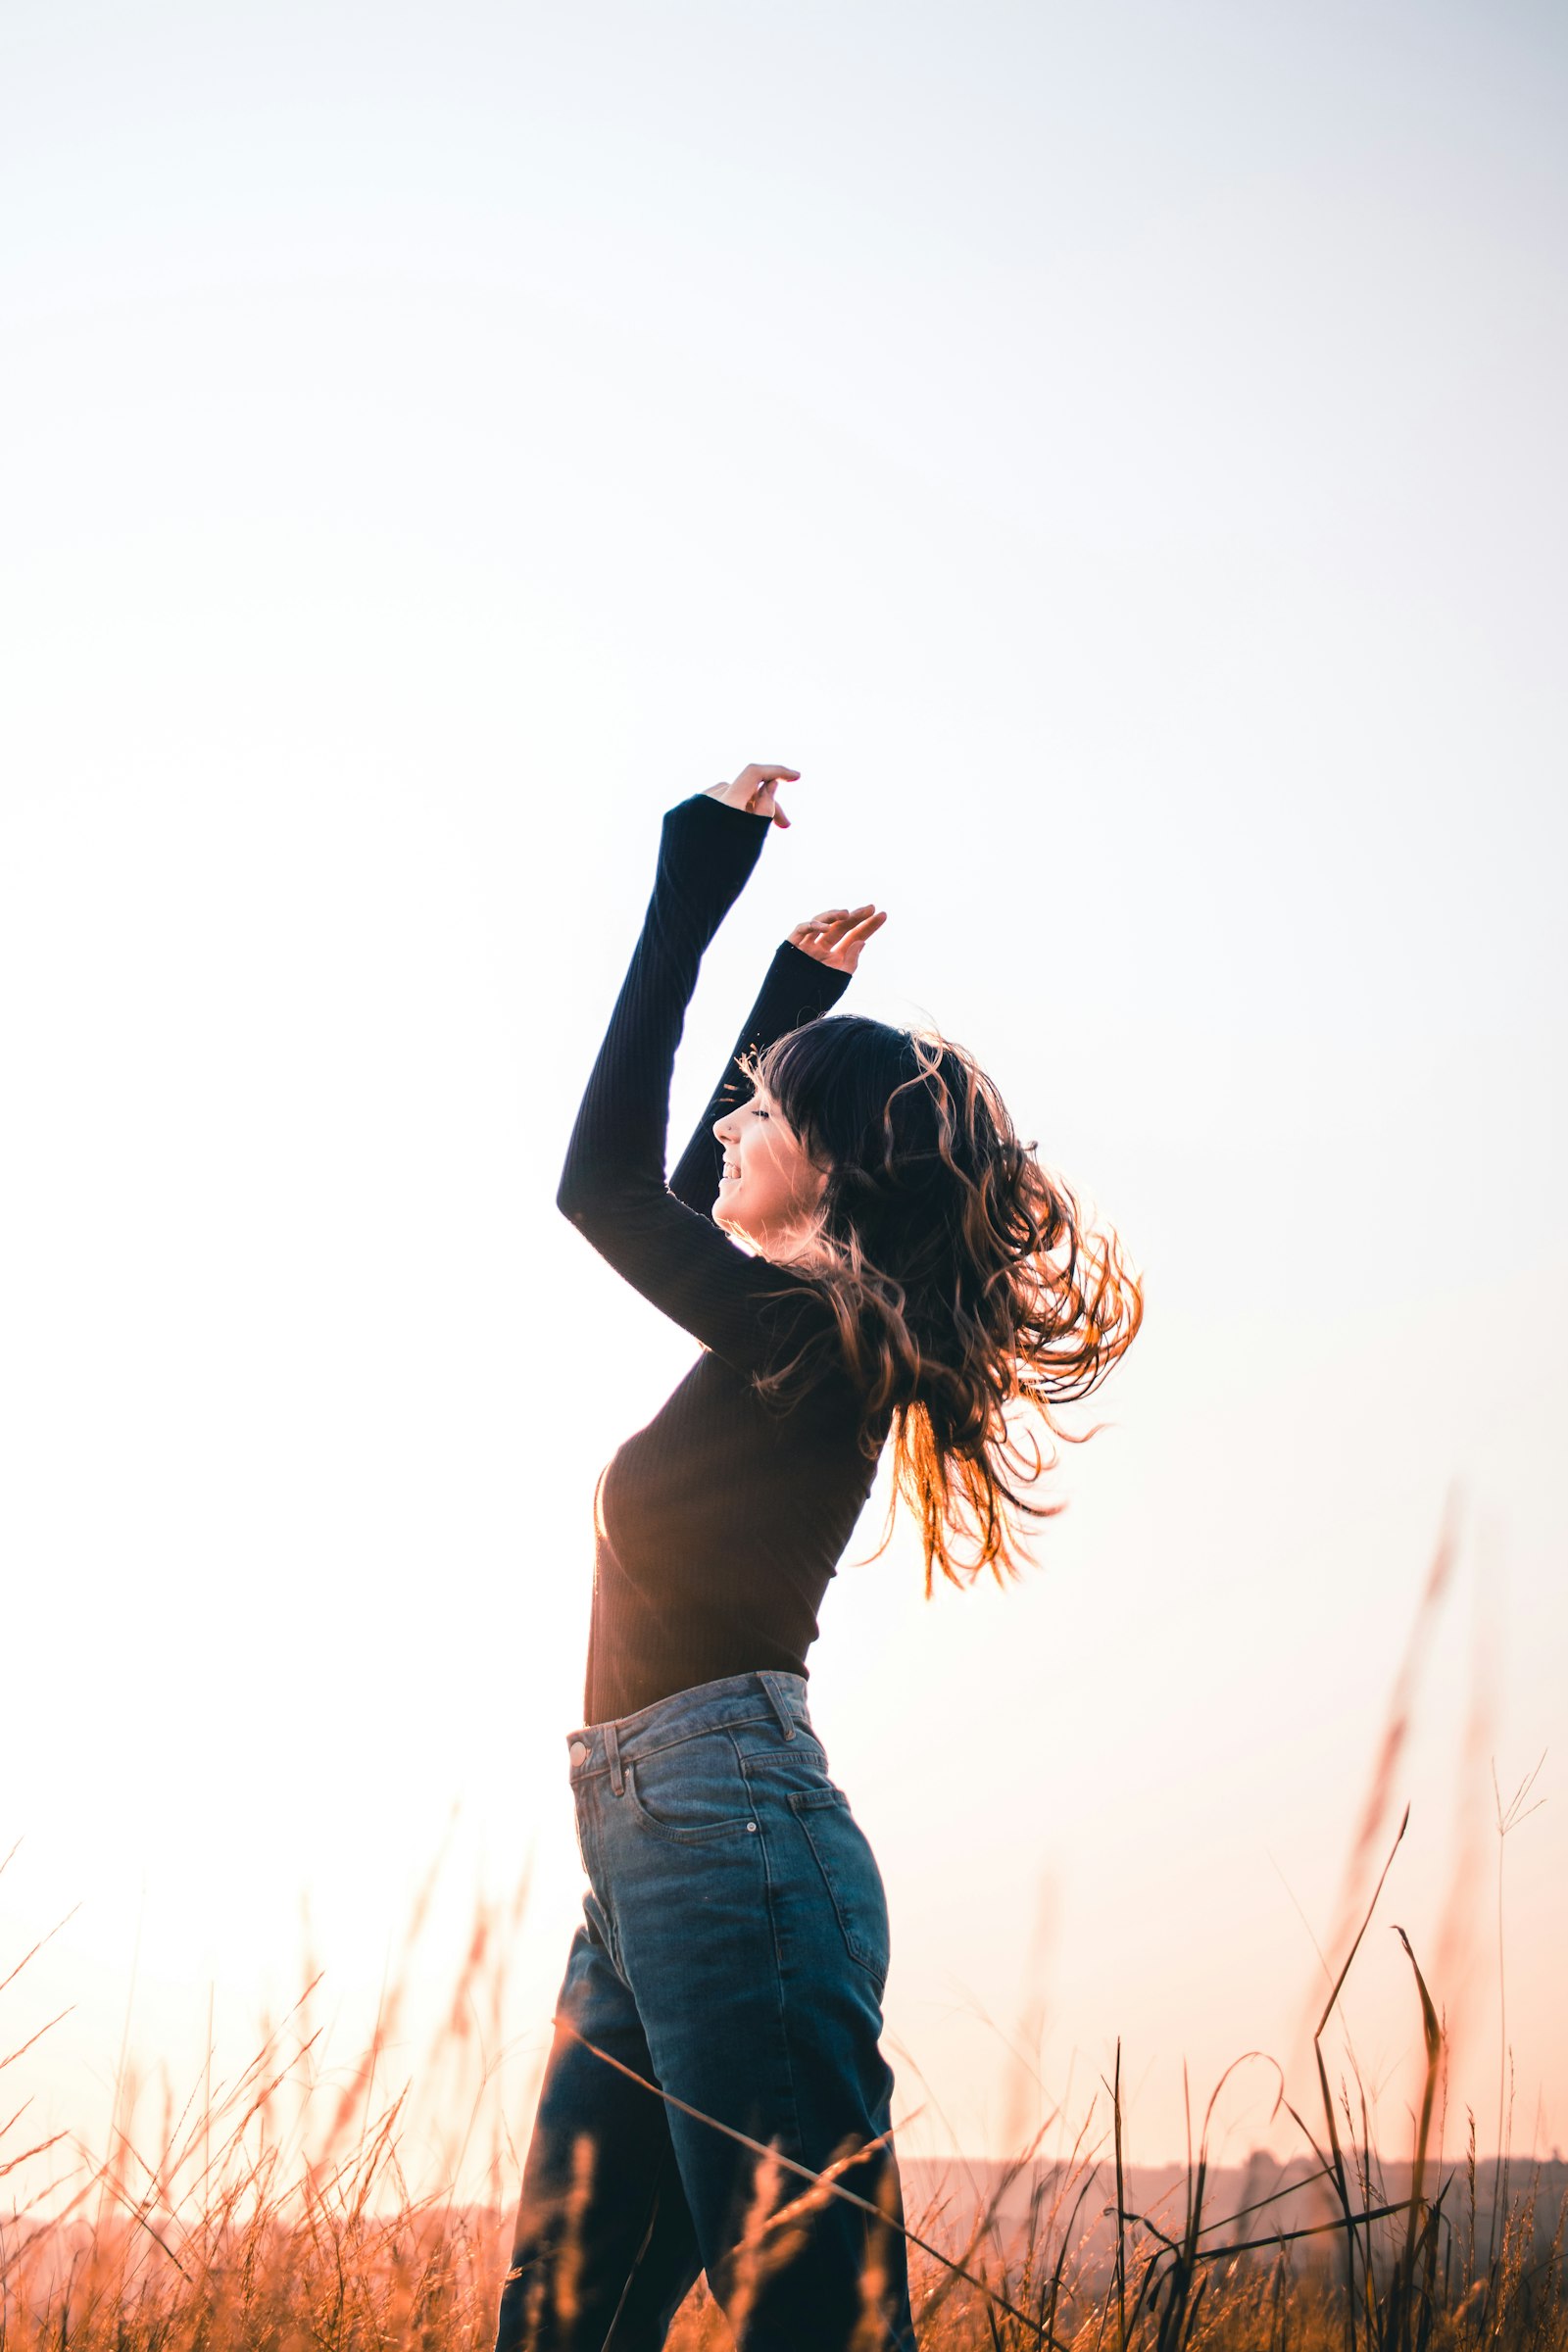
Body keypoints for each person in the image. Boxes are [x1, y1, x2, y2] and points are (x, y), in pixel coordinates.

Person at [494, 762, 1143, 2352]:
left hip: (729, 1839)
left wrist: (687, 887)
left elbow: (607, 1188)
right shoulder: (807, 1334)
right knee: (561, 2325)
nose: (740, 1127)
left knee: (813, 2327)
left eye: (769, 1111)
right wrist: (788, 995)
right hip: (650, 1849)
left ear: (835, 1175)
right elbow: (685, 1179)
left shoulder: (818, 1335)